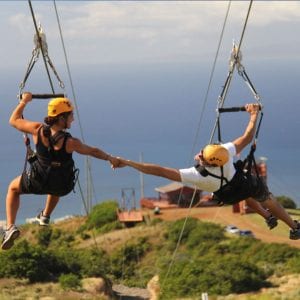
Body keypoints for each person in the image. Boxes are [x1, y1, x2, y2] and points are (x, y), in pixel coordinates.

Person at [112, 103, 299, 240]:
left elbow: (159, 171)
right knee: (265, 197)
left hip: (229, 196)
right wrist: (253, 114)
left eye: (203, 152)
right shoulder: (225, 153)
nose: (201, 152)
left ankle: (267, 216)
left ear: (205, 160)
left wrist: (128, 163)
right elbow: (247, 137)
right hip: (242, 185)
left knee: (243, 192)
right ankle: (293, 226)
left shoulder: (197, 176)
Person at [1, 92, 119, 250]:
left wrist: (24, 102)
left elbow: (13, 120)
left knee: (13, 188)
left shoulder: (37, 130)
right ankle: (45, 216)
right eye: (71, 116)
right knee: (57, 177)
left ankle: (10, 228)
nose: (73, 119)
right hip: (62, 186)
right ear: (62, 118)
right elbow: (93, 151)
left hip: (37, 181)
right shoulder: (70, 142)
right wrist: (110, 158)